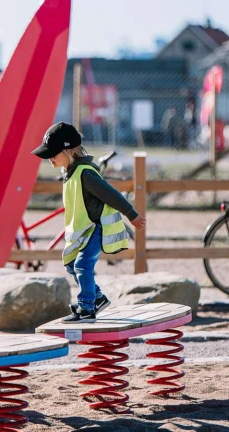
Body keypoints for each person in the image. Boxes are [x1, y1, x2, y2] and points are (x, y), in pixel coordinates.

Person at [32, 122, 146, 323]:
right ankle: (98, 298)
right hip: (83, 231)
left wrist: (132, 214)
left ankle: (87, 308)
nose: (49, 157)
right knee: (70, 264)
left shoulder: (85, 174)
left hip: (96, 228)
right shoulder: (70, 174)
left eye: (53, 153)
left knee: (82, 265)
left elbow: (111, 194)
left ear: (68, 151)